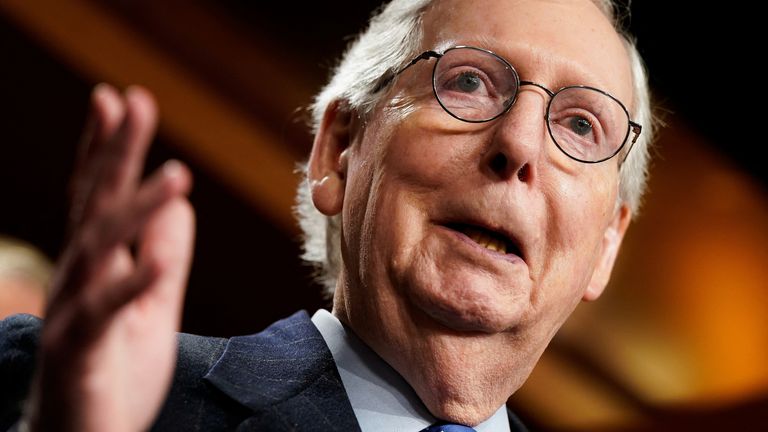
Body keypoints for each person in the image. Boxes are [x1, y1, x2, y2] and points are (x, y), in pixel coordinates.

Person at [0, 0, 655, 430]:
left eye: (578, 124)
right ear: (339, 150)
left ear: (605, 248)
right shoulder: (59, 392)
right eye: (469, 82)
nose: (518, 145)